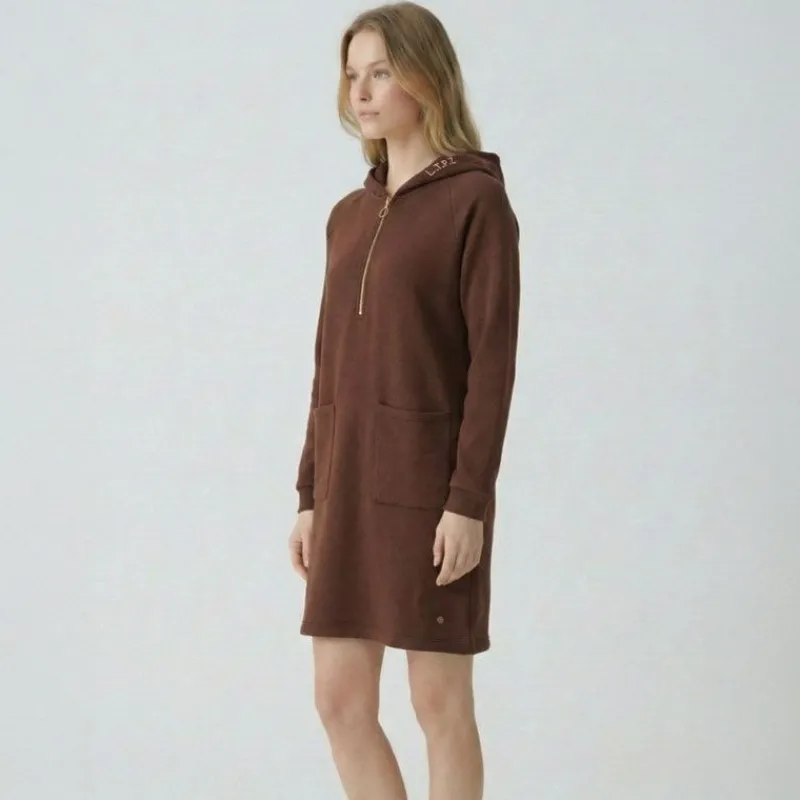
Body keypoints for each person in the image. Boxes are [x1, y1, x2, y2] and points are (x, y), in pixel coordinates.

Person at [287, 3, 520, 798]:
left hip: (429, 490)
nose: (361, 91)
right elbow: (327, 366)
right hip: (346, 483)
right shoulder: (347, 218)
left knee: (438, 702)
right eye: (352, 75)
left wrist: (468, 503)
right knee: (339, 700)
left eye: (380, 72)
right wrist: (309, 493)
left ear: (426, 77)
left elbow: (492, 368)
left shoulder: (475, 203)